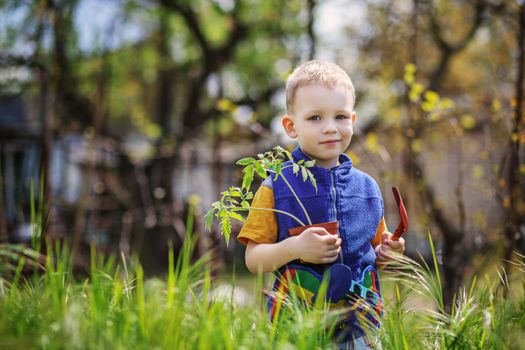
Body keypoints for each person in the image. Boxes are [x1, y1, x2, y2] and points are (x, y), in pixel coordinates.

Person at [237, 60, 405, 349]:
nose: (330, 128)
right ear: (291, 126)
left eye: (340, 117)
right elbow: (253, 260)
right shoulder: (278, 186)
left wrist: (390, 251)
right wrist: (295, 248)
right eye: (315, 118)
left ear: (352, 121)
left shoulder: (367, 189)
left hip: (362, 326)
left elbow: (375, 254)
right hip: (296, 328)